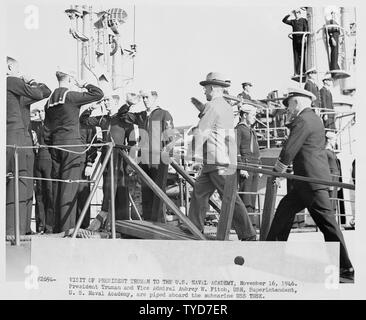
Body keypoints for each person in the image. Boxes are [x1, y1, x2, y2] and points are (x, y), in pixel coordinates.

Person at [266, 88, 354, 281]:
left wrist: (277, 172)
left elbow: (290, 149)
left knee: (327, 224)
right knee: (283, 213)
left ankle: (345, 267)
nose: (288, 109)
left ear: (297, 103)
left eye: (289, 105)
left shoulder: (304, 120)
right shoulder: (311, 118)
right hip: (304, 181)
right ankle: (271, 255)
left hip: (311, 181)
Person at [185, 72, 256, 241]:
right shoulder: (225, 106)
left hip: (217, 160)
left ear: (212, 88)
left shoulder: (213, 106)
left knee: (230, 197)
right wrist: (203, 110)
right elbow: (216, 124)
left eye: (205, 88)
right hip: (217, 159)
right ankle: (194, 227)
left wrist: (189, 153)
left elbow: (202, 130)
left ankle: (248, 233)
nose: (204, 91)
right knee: (199, 193)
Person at [44, 67, 104, 234]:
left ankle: (57, 228)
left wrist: (52, 146)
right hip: (72, 147)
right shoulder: (69, 96)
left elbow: (46, 131)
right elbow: (98, 93)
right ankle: (67, 229)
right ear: (69, 79)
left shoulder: (48, 102)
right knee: (70, 189)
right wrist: (83, 83)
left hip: (55, 147)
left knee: (58, 187)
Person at [79, 94, 139, 231]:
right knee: (107, 188)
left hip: (120, 158)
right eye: (104, 101)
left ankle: (122, 224)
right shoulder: (103, 119)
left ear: (116, 102)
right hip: (106, 158)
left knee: (121, 191)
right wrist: (91, 108)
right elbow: (83, 120)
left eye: (108, 101)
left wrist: (130, 162)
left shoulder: (124, 120)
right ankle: (106, 221)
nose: (105, 103)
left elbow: (133, 143)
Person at [6, 56, 49, 235]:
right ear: (9, 67)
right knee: (21, 185)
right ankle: (15, 231)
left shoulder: (15, 96)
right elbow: (42, 92)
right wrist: (29, 80)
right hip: (18, 140)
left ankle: (19, 229)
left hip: (10, 139)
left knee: (16, 185)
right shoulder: (10, 80)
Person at [124, 90, 176, 222]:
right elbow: (122, 115)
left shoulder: (164, 114)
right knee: (146, 192)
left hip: (159, 160)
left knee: (158, 192)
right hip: (144, 158)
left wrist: (168, 156)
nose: (145, 100)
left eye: (147, 97)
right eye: (143, 98)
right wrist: (129, 103)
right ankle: (148, 222)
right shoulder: (141, 115)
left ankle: (159, 222)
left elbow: (170, 137)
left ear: (155, 97)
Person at [235, 104, 261, 227]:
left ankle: (252, 223)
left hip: (255, 165)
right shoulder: (239, 129)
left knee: (253, 196)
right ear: (245, 115)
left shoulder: (250, 130)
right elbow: (235, 150)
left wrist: (259, 165)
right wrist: (241, 168)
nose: (255, 117)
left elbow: (256, 149)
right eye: (253, 115)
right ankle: (246, 225)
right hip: (246, 165)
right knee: (246, 196)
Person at [31, 108, 54, 233]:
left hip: (49, 160)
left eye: (42, 111)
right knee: (39, 195)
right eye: (38, 112)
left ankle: (49, 226)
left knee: (49, 193)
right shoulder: (36, 125)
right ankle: (40, 225)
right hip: (38, 160)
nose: (40, 114)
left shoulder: (52, 125)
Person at [282, 9, 309, 76]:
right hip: (295, 40)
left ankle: (303, 71)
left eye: (297, 13)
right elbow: (284, 21)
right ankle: (297, 72)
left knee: (303, 55)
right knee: (296, 56)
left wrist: (305, 38)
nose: (296, 14)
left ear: (300, 13)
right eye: (295, 13)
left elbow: (306, 28)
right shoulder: (293, 21)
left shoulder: (303, 20)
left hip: (302, 39)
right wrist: (289, 14)